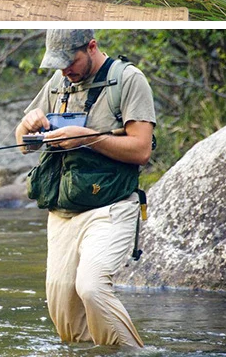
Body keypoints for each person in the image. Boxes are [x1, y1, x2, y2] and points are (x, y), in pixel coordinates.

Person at [15, 29, 156, 348]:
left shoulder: (129, 79)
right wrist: (28, 126)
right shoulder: (57, 82)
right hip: (62, 213)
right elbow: (23, 145)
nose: (65, 70)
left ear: (91, 47)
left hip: (111, 207)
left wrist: (87, 138)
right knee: (64, 313)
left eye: (70, 61)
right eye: (58, 64)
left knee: (91, 287)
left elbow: (141, 150)